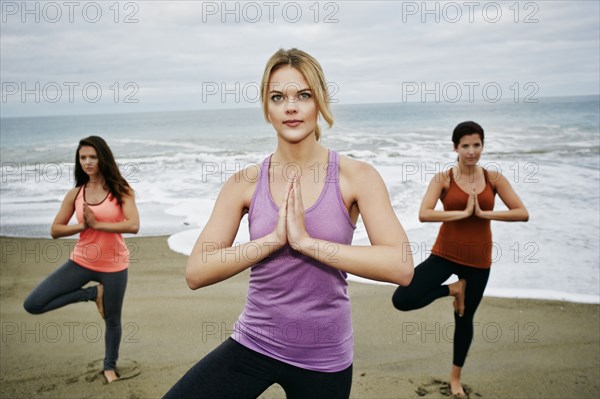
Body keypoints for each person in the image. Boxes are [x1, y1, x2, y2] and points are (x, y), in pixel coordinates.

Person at [163, 48, 414, 399]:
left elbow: (401, 267)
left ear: (320, 101)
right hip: (255, 342)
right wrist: (273, 239)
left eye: (304, 95)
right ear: (267, 108)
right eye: (278, 97)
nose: (291, 107)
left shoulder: (357, 177)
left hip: (324, 358)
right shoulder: (244, 183)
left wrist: (308, 243)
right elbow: (197, 271)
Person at [392, 121, 529, 397]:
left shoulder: (494, 179)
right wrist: (461, 214)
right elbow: (425, 213)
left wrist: (485, 214)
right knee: (403, 298)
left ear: (483, 146)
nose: (471, 151)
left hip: (479, 260)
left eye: (477, 145)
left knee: (464, 319)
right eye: (465, 145)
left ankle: (455, 379)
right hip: (445, 254)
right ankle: (454, 290)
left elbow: (522, 212)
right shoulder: (443, 179)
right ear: (455, 147)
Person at [24, 136, 139, 384]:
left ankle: (109, 367)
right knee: (33, 304)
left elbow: (133, 225)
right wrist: (82, 226)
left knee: (112, 319)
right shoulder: (76, 194)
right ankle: (92, 294)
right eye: (83, 157)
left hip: (114, 265)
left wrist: (98, 224)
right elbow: (55, 230)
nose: (87, 162)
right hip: (81, 262)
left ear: (103, 158)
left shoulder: (121, 190)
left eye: (93, 157)